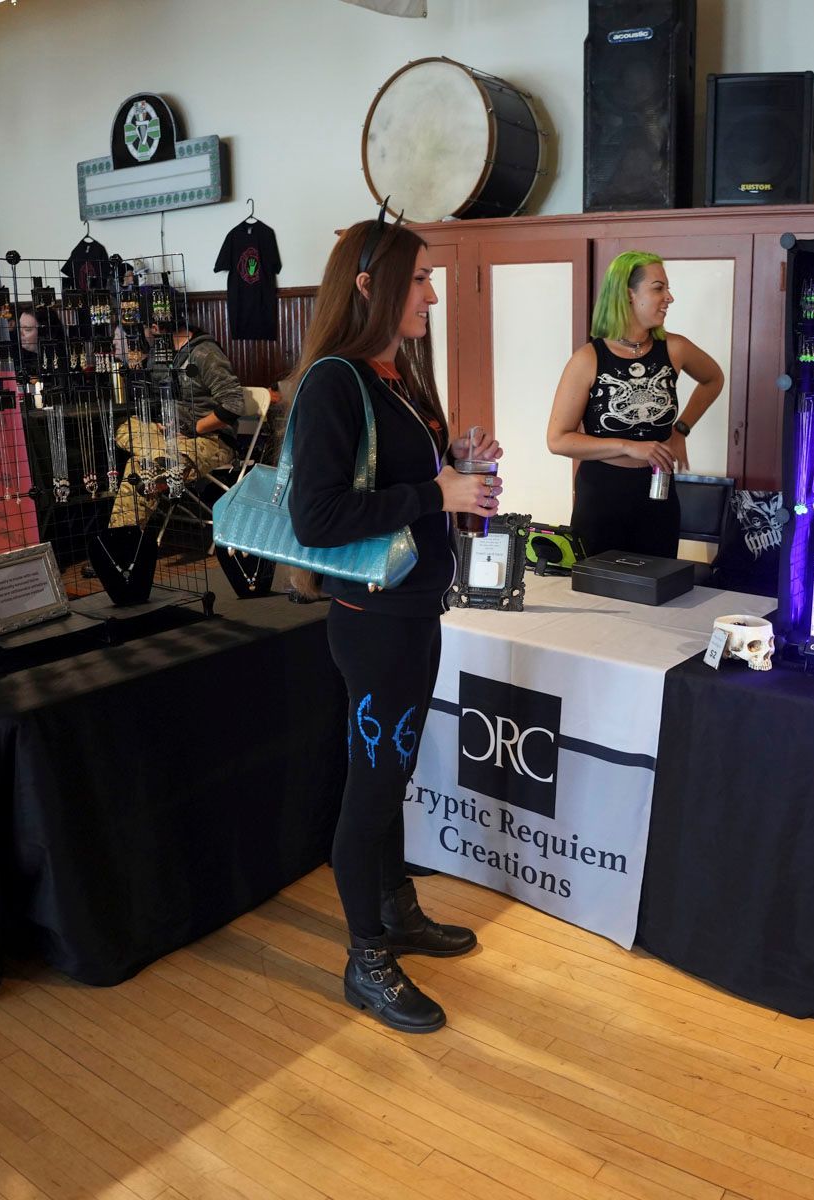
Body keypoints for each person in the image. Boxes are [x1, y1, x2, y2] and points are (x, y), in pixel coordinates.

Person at [289, 211, 503, 1034]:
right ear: (369, 285)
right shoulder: (334, 381)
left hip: (412, 611)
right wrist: (434, 491)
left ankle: (395, 910)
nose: (432, 296)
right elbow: (317, 517)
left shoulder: (394, 377)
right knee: (373, 787)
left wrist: (455, 469)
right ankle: (366, 959)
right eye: (419, 280)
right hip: (374, 621)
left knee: (392, 776)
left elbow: (399, 487)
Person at [545, 250, 724, 557]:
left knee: (660, 581)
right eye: (658, 288)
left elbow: (713, 379)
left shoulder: (675, 348)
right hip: (602, 495)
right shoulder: (588, 359)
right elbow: (557, 440)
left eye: (667, 289)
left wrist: (680, 430)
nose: (669, 298)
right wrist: (629, 446)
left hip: (658, 492)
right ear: (628, 294)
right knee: (600, 584)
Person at [108, 309, 247, 529]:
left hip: (210, 438)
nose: (144, 335)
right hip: (169, 436)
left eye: (145, 329)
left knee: (138, 469)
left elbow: (233, 406)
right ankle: (163, 465)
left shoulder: (205, 353)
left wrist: (192, 428)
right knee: (123, 427)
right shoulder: (160, 352)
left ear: (155, 327)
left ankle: (124, 542)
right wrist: (158, 421)